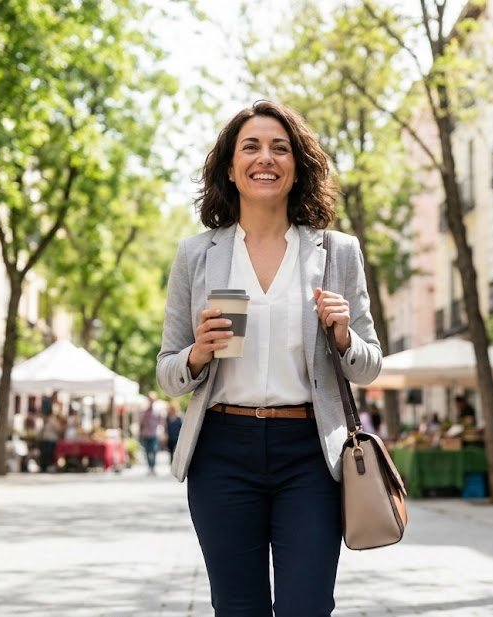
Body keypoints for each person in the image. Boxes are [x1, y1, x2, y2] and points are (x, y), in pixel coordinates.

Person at [156, 100, 382, 616]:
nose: (266, 158)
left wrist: (344, 337)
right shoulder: (198, 254)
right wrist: (197, 354)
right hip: (221, 454)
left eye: (280, 148)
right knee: (238, 608)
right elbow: (168, 373)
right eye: (251, 147)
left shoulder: (335, 251)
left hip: (309, 453)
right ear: (231, 169)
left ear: (297, 167)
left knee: (307, 607)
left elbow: (369, 366)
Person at [139, 395, 162, 475]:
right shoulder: (144, 410)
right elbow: (141, 421)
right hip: (146, 434)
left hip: (155, 434)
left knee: (154, 451)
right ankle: (149, 466)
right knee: (147, 451)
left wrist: (163, 433)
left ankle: (153, 467)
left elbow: (161, 422)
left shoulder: (158, 411)